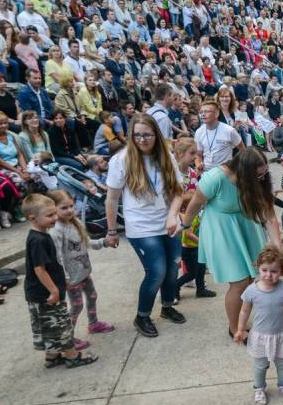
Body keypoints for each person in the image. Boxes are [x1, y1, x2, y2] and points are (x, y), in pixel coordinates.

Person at [181, 147, 282, 338]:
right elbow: (195, 202)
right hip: (221, 229)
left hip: (247, 225)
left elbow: (269, 214)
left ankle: (243, 320)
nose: (262, 178)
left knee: (252, 278)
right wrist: (184, 224)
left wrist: (277, 246)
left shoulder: (258, 180)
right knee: (239, 282)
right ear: (244, 171)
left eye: (264, 173)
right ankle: (235, 328)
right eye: (258, 175)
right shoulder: (216, 177)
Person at [104, 114, 186, 338]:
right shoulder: (121, 160)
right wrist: (111, 231)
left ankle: (167, 307)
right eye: (137, 135)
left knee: (173, 268)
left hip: (168, 223)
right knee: (156, 272)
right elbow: (112, 198)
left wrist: (172, 216)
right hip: (141, 226)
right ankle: (142, 316)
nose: (142, 139)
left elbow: (178, 192)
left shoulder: (166, 156)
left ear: (156, 135)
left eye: (147, 134)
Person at [23, 193, 97, 367]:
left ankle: (52, 357)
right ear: (33, 218)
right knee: (62, 325)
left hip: (42, 293)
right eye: (50, 215)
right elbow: (39, 269)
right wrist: (54, 290)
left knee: (50, 325)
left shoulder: (41, 235)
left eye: (54, 213)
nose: (55, 218)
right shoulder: (38, 240)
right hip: (46, 293)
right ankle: (72, 357)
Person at [234, 246, 283, 405]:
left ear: (282, 271)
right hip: (260, 336)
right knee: (260, 365)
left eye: (274, 271)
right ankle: (259, 388)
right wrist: (240, 329)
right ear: (258, 268)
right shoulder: (251, 291)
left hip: (281, 335)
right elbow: (244, 311)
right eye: (264, 270)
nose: (268, 275)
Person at [48, 190, 115, 334]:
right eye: (64, 208)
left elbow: (86, 242)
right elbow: (57, 258)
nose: (69, 210)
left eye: (71, 206)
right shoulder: (55, 231)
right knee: (76, 306)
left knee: (92, 296)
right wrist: (65, 278)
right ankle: (68, 337)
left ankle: (93, 324)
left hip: (83, 272)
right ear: (53, 209)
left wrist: (103, 242)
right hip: (71, 279)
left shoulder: (75, 223)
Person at [173, 138, 215, 300]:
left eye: (196, 153)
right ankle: (171, 292)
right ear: (179, 153)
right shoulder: (171, 172)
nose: (195, 157)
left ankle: (200, 287)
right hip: (176, 218)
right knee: (176, 259)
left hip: (192, 215)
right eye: (192, 153)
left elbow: (196, 194)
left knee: (199, 260)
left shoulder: (192, 173)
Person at [194, 99, 243, 171]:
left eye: (207, 111)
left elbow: (242, 149)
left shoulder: (229, 130)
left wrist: (235, 166)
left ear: (216, 114)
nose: (203, 114)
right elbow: (198, 155)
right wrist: (198, 164)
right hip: (207, 173)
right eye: (201, 112)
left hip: (225, 172)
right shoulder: (199, 132)